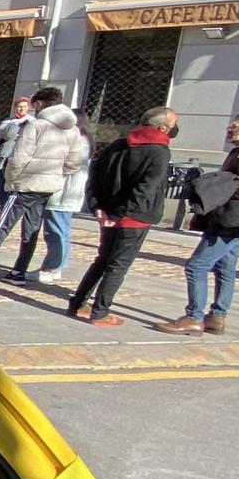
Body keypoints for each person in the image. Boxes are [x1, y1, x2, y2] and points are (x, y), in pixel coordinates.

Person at [155, 112, 239, 336]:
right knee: (225, 268)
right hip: (237, 219)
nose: (229, 129)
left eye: (236, 126)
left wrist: (213, 192)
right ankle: (217, 316)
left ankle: (194, 317)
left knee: (196, 266)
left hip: (232, 219)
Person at [0, 88, 88, 281]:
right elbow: (73, 162)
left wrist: (11, 180)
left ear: (39, 103)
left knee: (0, 226)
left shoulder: (36, 125)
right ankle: (19, 271)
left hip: (26, 184)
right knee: (31, 228)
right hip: (47, 187)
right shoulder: (71, 129)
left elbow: (18, 158)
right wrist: (56, 175)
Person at [69, 106, 177, 326]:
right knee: (117, 264)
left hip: (110, 212)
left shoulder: (118, 144)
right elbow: (147, 186)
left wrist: (98, 206)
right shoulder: (159, 150)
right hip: (133, 215)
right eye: (173, 125)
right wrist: (116, 212)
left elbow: (95, 177)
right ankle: (100, 312)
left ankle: (78, 303)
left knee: (103, 260)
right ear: (162, 127)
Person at [38, 109, 94, 284]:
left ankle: (52, 267)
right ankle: (56, 266)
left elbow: (67, 164)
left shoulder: (78, 141)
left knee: (56, 231)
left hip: (63, 192)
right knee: (60, 230)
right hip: (65, 192)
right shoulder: (81, 140)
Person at [0, 96, 32, 202]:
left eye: (24, 106)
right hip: (2, 155)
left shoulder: (32, 121)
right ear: (14, 107)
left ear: (28, 108)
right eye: (19, 106)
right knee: (1, 184)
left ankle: (8, 210)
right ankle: (1, 208)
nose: (22, 109)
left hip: (17, 156)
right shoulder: (7, 121)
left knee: (12, 186)